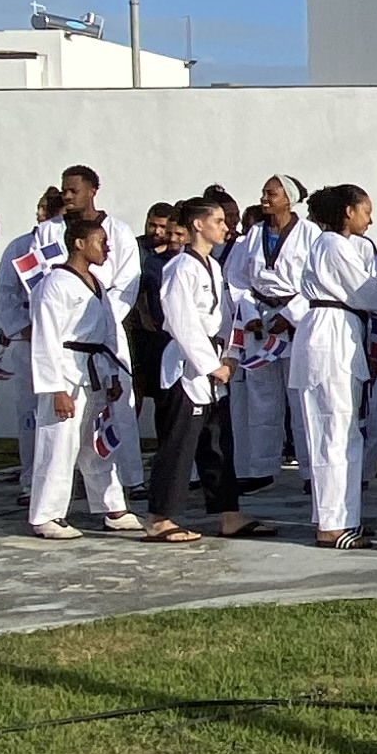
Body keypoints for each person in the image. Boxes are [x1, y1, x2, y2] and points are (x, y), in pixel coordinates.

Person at [23, 212, 146, 538]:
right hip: (66, 372)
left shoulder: (97, 284)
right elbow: (45, 337)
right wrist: (55, 388)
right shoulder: (55, 283)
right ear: (79, 244)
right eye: (101, 243)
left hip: (96, 371)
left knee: (98, 443)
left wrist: (114, 377)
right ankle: (46, 515)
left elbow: (109, 333)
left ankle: (112, 508)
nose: (107, 248)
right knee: (58, 444)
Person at [294, 184, 377, 546]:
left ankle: (331, 517)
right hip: (332, 333)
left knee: (330, 431)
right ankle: (333, 524)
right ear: (348, 211)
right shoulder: (334, 244)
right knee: (336, 431)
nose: (370, 218)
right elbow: (365, 292)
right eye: (366, 210)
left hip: (328, 330)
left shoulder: (327, 244)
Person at [145, 195, 241, 543]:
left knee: (217, 443)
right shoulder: (179, 268)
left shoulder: (214, 267)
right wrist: (211, 364)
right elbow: (181, 321)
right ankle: (159, 517)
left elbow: (227, 319)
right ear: (198, 225)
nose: (225, 227)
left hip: (216, 364)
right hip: (188, 366)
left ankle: (229, 514)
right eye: (218, 221)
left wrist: (230, 355)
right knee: (179, 443)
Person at [227, 176, 309, 491]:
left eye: (270, 194)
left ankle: (309, 473)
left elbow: (316, 279)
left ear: (288, 199)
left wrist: (289, 316)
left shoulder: (309, 234)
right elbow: (236, 278)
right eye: (263, 192)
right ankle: (260, 468)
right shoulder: (253, 235)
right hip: (259, 322)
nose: (264, 198)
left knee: (299, 397)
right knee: (261, 396)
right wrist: (248, 313)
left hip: (294, 323)